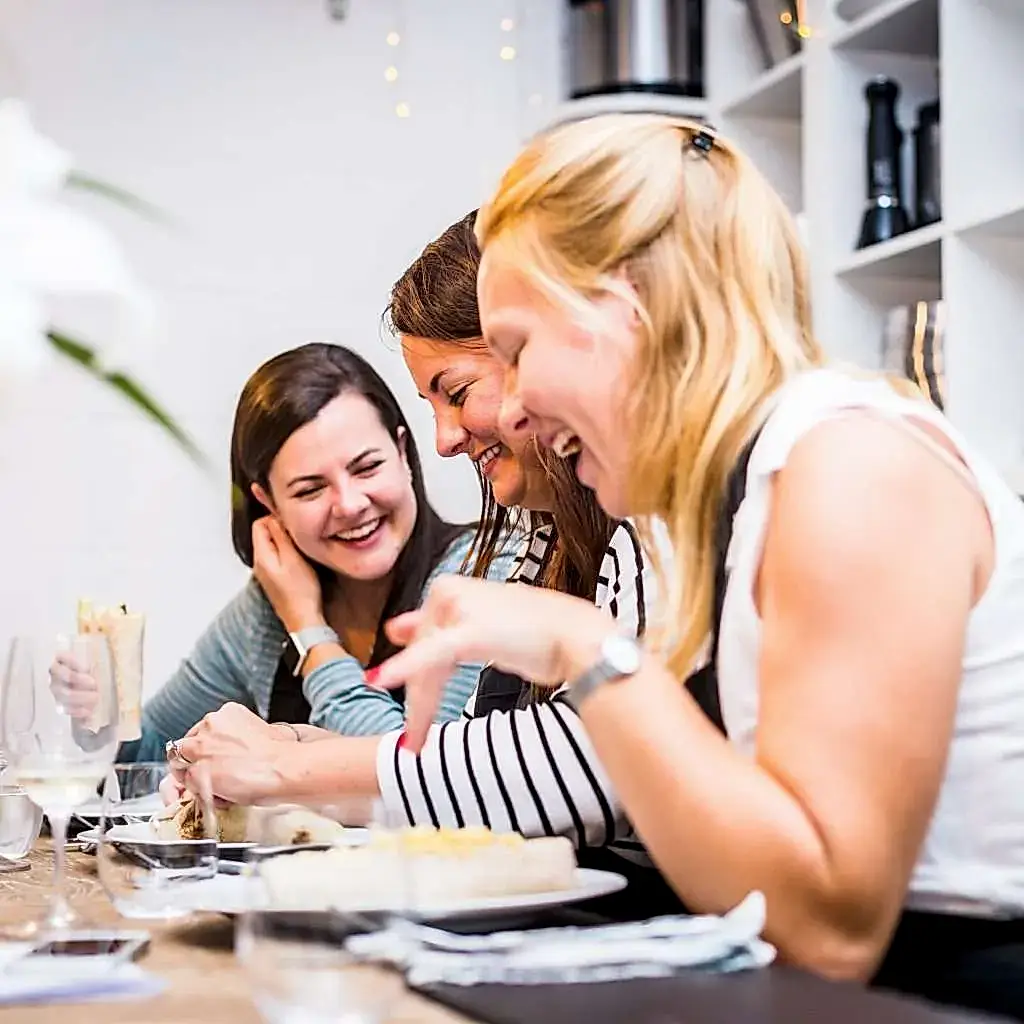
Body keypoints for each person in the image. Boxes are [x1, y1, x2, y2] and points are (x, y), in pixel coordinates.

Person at [350, 118, 1024, 1018]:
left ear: (627, 308)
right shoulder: (723, 497)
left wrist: (587, 651)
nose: (513, 404)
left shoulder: (847, 465)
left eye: (516, 351)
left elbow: (827, 932)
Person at [168, 214, 680, 919]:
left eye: (458, 391)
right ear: (268, 505)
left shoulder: (602, 532)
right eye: (310, 489)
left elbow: (594, 766)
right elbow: (477, 759)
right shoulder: (551, 535)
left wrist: (290, 759)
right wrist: (291, 747)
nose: (447, 439)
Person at [52, 342, 509, 761]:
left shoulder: (484, 573)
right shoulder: (266, 611)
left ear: (403, 452)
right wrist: (105, 714)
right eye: (311, 489)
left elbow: (423, 768)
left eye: (367, 467)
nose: (350, 504)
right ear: (268, 503)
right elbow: (155, 751)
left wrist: (310, 634)